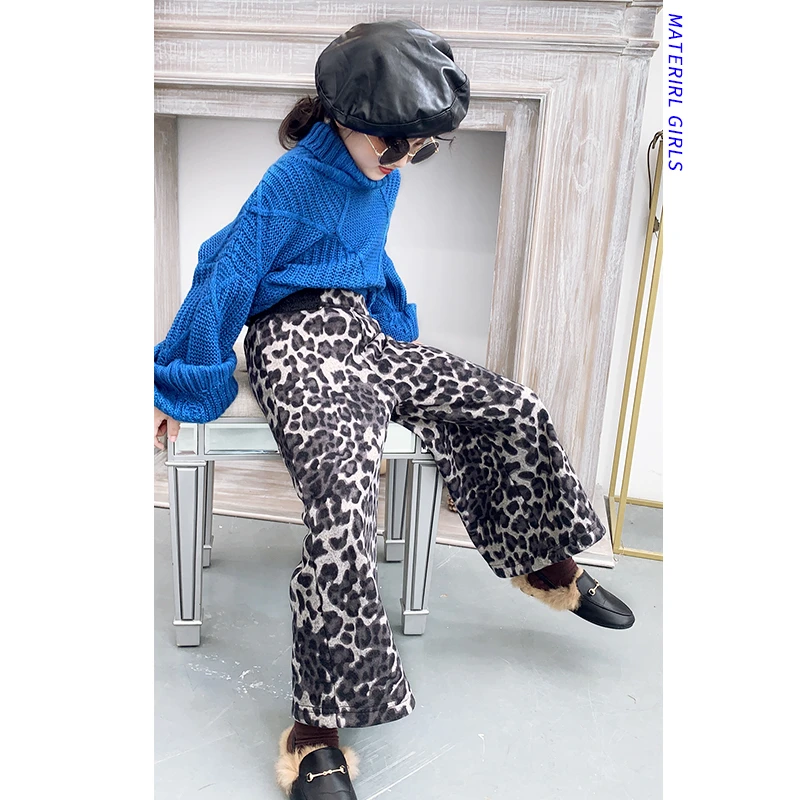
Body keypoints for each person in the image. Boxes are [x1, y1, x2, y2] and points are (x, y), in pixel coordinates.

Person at [153, 18, 634, 800]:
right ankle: (315, 732)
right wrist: (177, 385)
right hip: (294, 345)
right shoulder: (288, 184)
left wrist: (396, 336)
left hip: (363, 337)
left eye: (422, 147)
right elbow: (224, 275)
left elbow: (367, 255)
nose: (405, 157)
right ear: (345, 117)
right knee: (344, 505)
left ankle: (543, 562)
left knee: (514, 405)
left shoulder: (385, 170)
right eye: (396, 143)